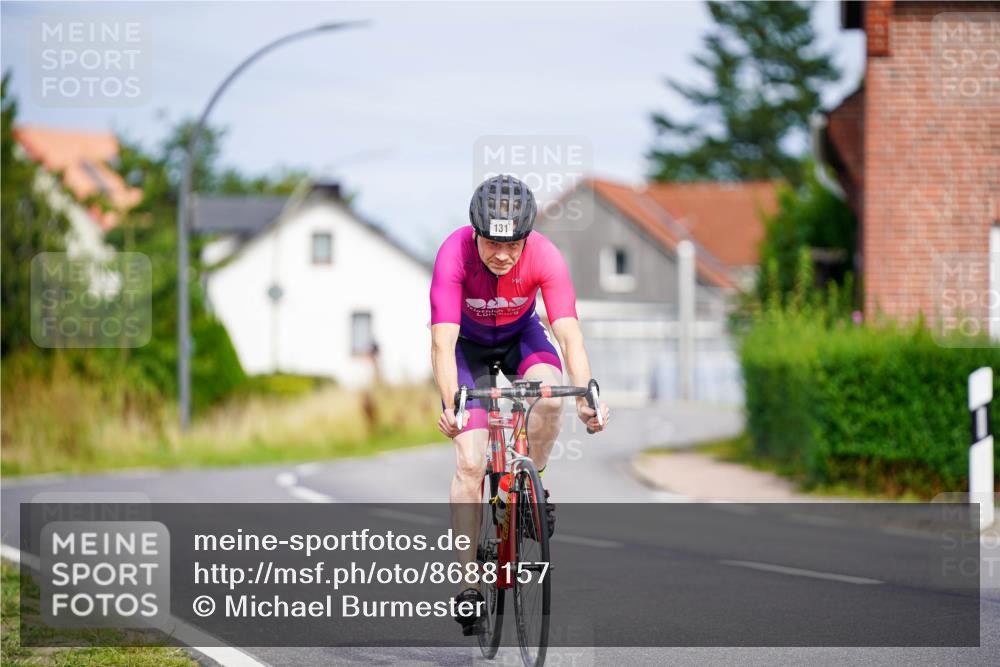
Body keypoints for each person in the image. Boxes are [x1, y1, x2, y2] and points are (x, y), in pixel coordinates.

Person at [429, 174, 610, 635]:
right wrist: (452, 404)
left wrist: (588, 393)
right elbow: (442, 342)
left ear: (528, 237)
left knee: (550, 396)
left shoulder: (545, 256)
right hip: (467, 351)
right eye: (492, 244)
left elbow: (569, 335)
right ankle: (469, 586)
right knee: (470, 465)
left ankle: (535, 487)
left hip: (520, 339)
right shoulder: (454, 253)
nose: (504, 255)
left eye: (514, 245)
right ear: (475, 232)